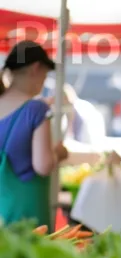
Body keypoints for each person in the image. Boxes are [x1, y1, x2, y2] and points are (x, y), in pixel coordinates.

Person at [0, 41, 68, 226]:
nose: (43, 82)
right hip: (27, 218)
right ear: (35, 68)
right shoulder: (36, 109)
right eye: (45, 75)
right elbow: (43, 165)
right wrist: (59, 153)